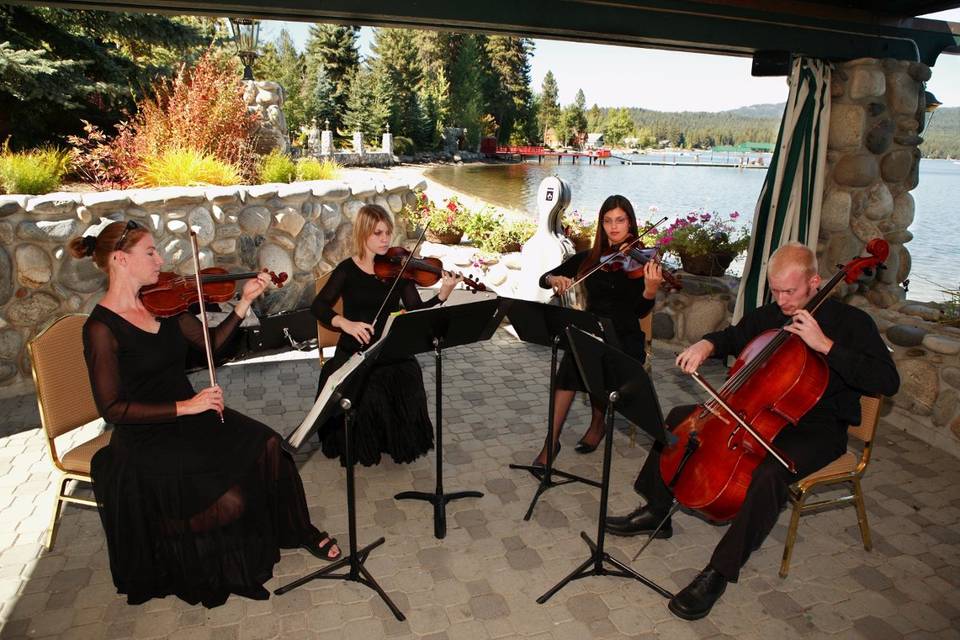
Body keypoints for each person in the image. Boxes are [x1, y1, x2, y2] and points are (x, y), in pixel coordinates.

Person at [605, 242, 900, 620]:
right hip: (763, 412)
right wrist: (707, 343)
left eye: (789, 291)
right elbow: (734, 335)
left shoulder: (851, 324)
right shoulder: (774, 314)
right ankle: (656, 508)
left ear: (814, 282)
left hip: (818, 427)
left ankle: (719, 572)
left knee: (771, 473)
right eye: (775, 291)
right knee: (680, 415)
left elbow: (887, 381)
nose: (781, 300)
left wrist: (825, 346)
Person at [71, 220, 340, 609]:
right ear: (119, 259)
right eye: (150, 252)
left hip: (192, 413)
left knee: (269, 445)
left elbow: (213, 346)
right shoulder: (100, 329)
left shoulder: (163, 304)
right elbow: (112, 409)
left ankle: (299, 530)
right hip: (147, 434)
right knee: (229, 502)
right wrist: (187, 406)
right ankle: (162, 531)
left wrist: (244, 302)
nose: (160, 260)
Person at [311, 204, 460, 466]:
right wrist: (345, 323)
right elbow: (319, 307)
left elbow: (415, 311)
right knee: (370, 386)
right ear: (362, 234)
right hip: (355, 352)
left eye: (388, 233)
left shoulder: (399, 270)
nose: (385, 239)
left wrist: (442, 295)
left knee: (409, 373)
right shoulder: (347, 269)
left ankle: (394, 441)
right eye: (377, 233)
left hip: (389, 350)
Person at [533, 195, 662, 466]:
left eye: (620, 220)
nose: (614, 227)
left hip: (625, 338)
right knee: (574, 360)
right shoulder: (588, 259)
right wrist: (554, 278)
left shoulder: (642, 262)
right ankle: (551, 442)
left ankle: (597, 423)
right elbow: (543, 279)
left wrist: (650, 291)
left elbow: (639, 312)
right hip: (591, 331)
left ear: (630, 223)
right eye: (607, 221)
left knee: (596, 357)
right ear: (601, 225)